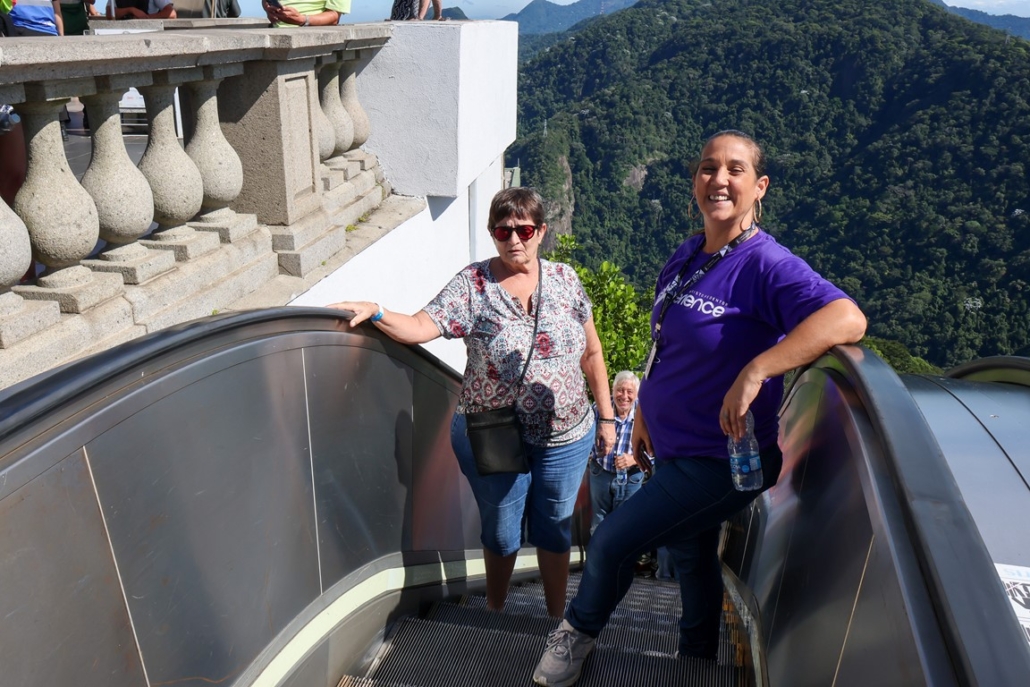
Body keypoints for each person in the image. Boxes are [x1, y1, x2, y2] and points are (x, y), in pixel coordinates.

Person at [531, 130, 867, 686]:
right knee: (691, 555)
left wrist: (757, 369)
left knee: (612, 542)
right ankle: (695, 663)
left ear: (759, 186)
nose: (719, 180)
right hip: (674, 446)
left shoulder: (767, 264)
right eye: (709, 168)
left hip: (720, 460)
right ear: (695, 181)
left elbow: (847, 318)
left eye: (736, 170)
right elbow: (664, 342)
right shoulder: (688, 253)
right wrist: (644, 410)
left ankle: (576, 635)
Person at [327, 187, 617, 619]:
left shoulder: (565, 280)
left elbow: (591, 353)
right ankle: (495, 611)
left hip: (567, 436)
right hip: (493, 434)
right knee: (501, 533)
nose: (514, 239)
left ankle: (557, 619)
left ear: (541, 231)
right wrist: (378, 311)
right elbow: (421, 325)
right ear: (492, 233)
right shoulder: (473, 285)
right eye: (503, 231)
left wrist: (607, 418)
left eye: (524, 230)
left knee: (555, 530)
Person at [587, 371, 643, 535]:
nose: (624, 396)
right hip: (600, 474)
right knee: (598, 523)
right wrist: (593, 452)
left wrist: (635, 459)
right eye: (620, 390)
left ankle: (622, 553)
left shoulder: (644, 414)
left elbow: (656, 447)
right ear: (613, 390)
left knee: (626, 524)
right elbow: (585, 437)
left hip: (631, 477)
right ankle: (598, 552)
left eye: (629, 391)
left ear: (636, 394)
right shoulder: (599, 409)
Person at [262, 0, 347, 27]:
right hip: (276, 34)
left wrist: (302, 20)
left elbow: (334, 16)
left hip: (310, 40)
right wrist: (268, 8)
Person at [106, 0, 175, 19]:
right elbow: (109, 13)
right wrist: (131, 10)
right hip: (122, 33)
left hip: (148, 32)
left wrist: (147, 17)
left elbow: (171, 14)